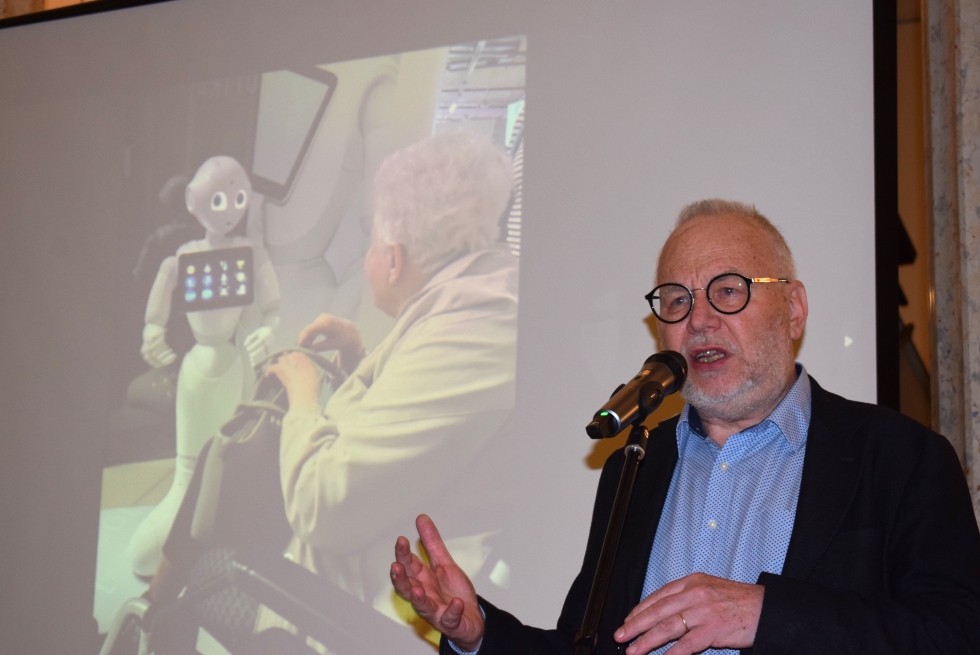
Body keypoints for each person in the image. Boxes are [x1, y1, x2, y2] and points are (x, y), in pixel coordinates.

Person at [389, 199, 980, 654]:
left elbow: (957, 633)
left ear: (793, 309)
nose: (699, 320)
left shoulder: (900, 458)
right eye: (676, 300)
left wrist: (765, 615)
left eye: (728, 291)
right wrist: (479, 633)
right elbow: (586, 647)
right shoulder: (635, 467)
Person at [266, 130, 519, 621]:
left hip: (382, 605)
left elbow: (320, 506)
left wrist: (303, 397)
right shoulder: (479, 294)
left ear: (395, 258)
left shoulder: (474, 329)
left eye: (372, 245)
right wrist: (360, 361)